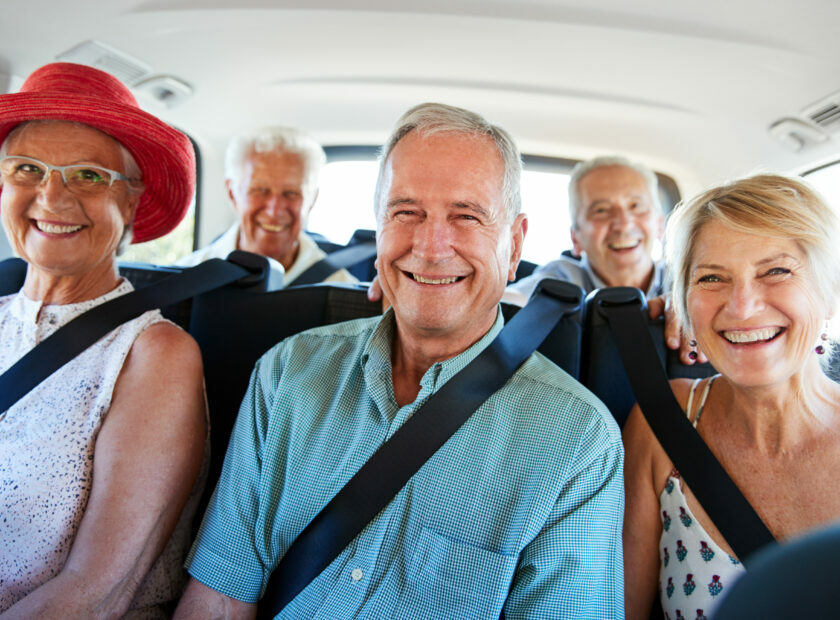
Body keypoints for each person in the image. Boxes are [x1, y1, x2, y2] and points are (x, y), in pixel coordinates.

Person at [175, 102, 624, 618]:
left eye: (466, 216)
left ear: (515, 242)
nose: (431, 247)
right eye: (405, 212)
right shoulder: (287, 374)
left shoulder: (577, 441)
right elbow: (219, 599)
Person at [0, 62, 207, 617]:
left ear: (132, 204)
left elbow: (96, 592)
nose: (52, 196)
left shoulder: (154, 354)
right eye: (27, 169)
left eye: (88, 175)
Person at [622, 173, 840, 619]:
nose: (741, 306)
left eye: (776, 271)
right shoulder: (661, 422)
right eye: (711, 278)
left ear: (830, 292)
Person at [178, 126, 356, 286]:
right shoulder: (184, 279)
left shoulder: (341, 290)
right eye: (260, 190)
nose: (274, 210)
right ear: (232, 193)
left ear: (312, 200)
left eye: (291, 193)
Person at [504, 155, 665, 305]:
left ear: (659, 224)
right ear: (576, 238)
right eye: (601, 210)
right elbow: (507, 304)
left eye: (636, 206)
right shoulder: (562, 279)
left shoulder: (683, 279)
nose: (623, 225)